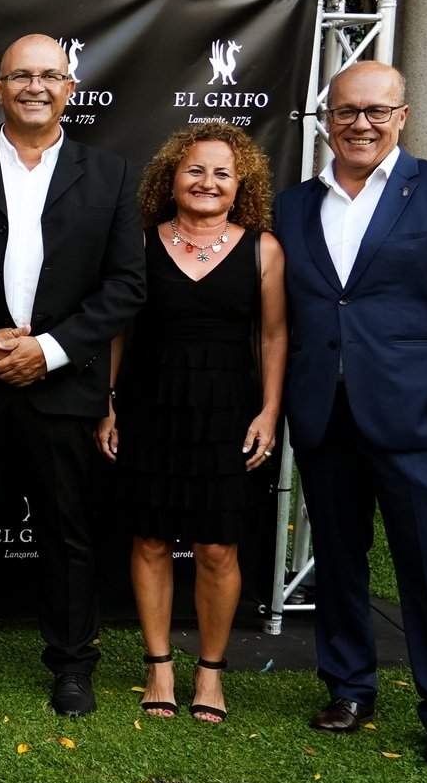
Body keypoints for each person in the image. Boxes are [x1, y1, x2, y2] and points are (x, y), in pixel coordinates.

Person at [277, 61, 427, 770]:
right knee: (338, 561)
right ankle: (349, 688)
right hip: (325, 415)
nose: (361, 124)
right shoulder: (293, 205)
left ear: (402, 117)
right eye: (347, 111)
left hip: (418, 417)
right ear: (327, 120)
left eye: (377, 111)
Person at [0, 33, 145, 716]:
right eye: (20, 75)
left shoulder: (110, 174)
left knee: (68, 532)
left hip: (64, 385)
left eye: (50, 75)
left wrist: (48, 349)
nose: (35, 87)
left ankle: (73, 664)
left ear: (69, 89)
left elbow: (126, 285)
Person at [98, 124, 286, 724]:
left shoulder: (264, 249)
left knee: (217, 547)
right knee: (150, 539)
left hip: (228, 412)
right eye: (195, 170)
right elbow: (117, 331)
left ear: (241, 185)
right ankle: (158, 665)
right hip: (149, 406)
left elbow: (273, 335)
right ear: (171, 178)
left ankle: (210, 671)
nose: (208, 182)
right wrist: (107, 403)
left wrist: (269, 411)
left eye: (222, 173)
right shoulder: (139, 243)